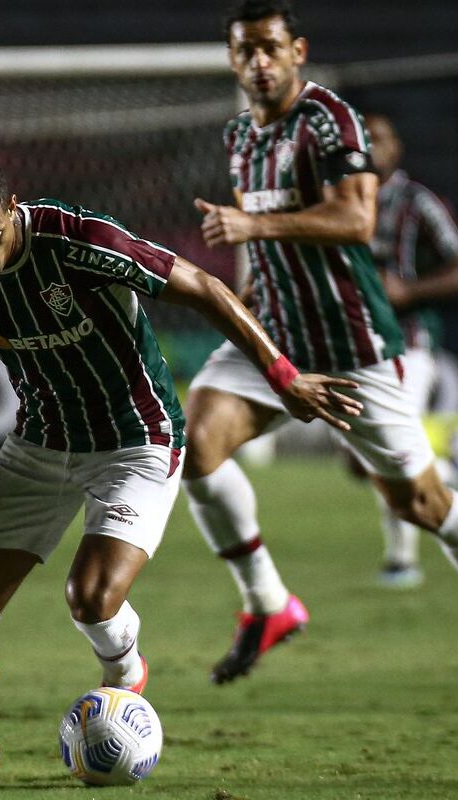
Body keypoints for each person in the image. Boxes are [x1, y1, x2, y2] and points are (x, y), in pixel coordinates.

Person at [0, 154, 359, 782]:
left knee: (89, 598)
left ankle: (125, 674)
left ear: (12, 210)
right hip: (39, 446)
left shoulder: (80, 240)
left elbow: (204, 288)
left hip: (136, 440)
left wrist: (284, 376)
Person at [184, 0, 458, 685]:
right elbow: (272, 235)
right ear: (232, 59)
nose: (259, 62)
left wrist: (253, 231)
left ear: (297, 51)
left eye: (271, 47)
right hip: (277, 330)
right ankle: (268, 603)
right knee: (196, 443)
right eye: (245, 50)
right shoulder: (241, 136)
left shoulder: (329, 119)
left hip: (349, 343)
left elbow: (357, 217)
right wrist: (248, 293)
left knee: (420, 505)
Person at [356, 112, 458, 588]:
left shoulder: (416, 201)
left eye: (380, 138)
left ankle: (402, 560)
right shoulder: (334, 200)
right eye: (363, 139)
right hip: (350, 349)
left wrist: (409, 291)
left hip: (407, 346)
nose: (371, 147)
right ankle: (445, 470)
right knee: (364, 459)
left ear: (397, 148)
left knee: (391, 449)